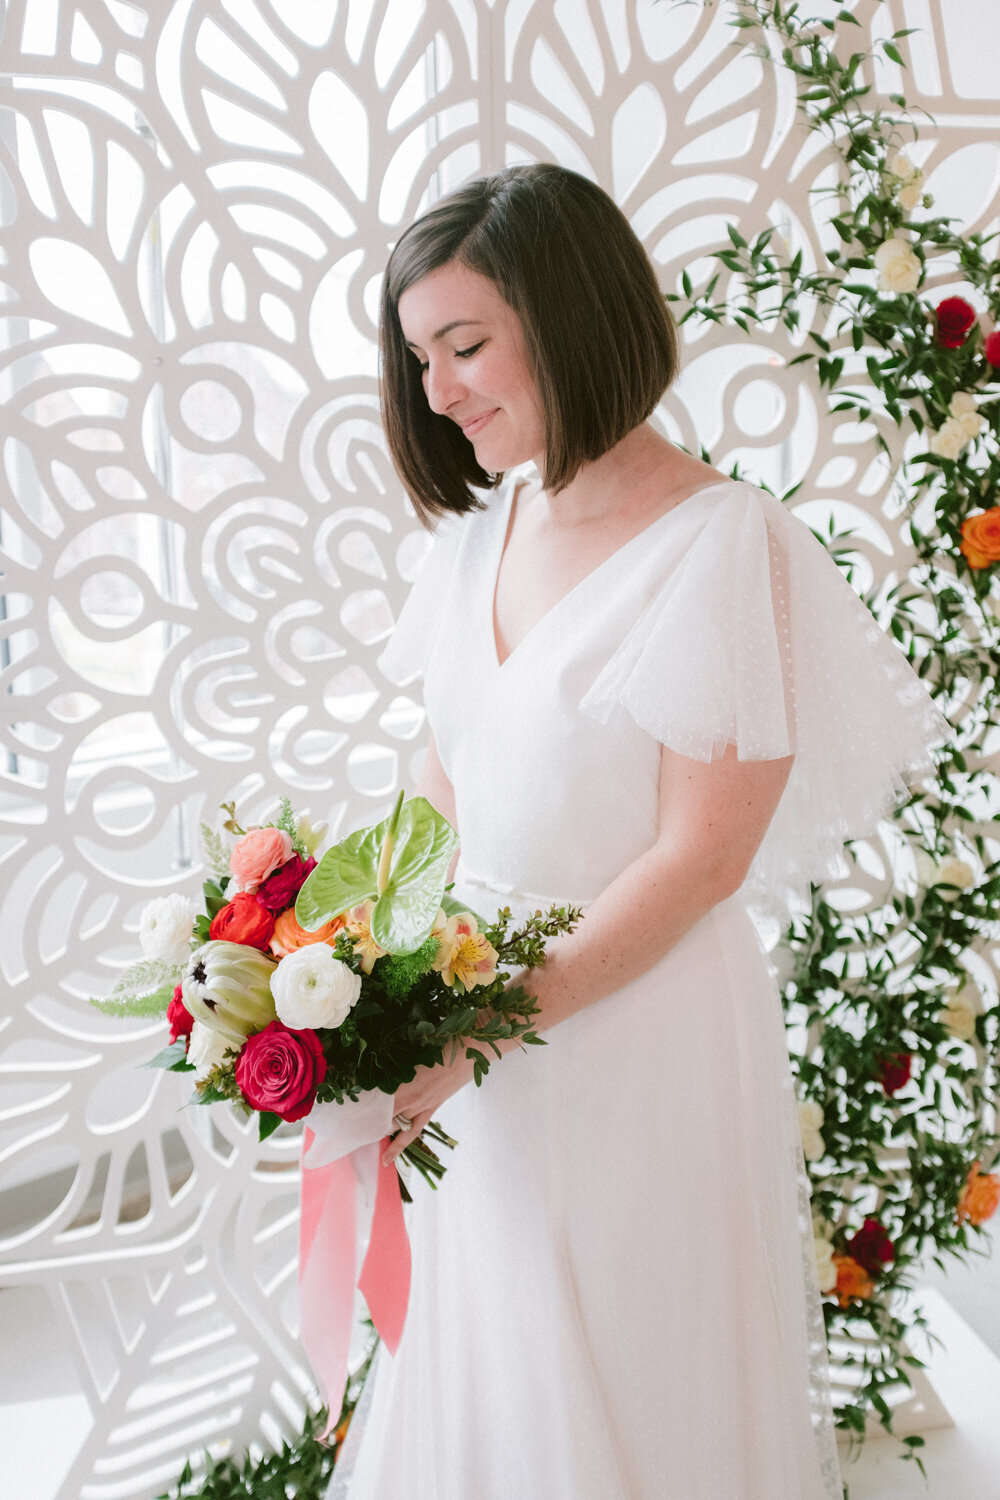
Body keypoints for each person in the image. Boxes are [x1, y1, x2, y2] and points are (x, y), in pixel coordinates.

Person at [328, 164, 947, 1499]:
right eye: (420, 355)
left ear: (571, 317)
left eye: (466, 344)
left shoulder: (725, 548)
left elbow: (700, 858)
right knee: (483, 1374)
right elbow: (443, 780)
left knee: (624, 1377)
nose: (437, 390)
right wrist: (377, 981)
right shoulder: (481, 533)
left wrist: (482, 1023)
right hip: (471, 1034)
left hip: (629, 1039)